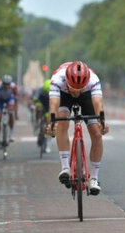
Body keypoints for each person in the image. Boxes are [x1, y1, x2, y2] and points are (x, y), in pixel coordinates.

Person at [47, 61, 109, 195]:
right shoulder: (58, 79)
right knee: (62, 123)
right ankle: (65, 168)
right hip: (64, 95)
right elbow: (53, 106)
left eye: (78, 89)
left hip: (86, 96)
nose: (75, 93)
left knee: (97, 134)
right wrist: (51, 124)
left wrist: (102, 123)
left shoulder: (93, 79)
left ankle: (94, 178)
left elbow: (98, 104)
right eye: (73, 89)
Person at [0, 75, 18, 147]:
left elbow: (16, 101)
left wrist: (16, 113)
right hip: (0, 101)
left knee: (11, 113)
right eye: (5, 84)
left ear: (10, 83)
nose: (6, 86)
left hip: (9, 99)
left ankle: (11, 133)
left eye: (8, 84)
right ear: (2, 83)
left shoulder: (13, 87)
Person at [34, 79, 52, 153]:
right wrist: (38, 105)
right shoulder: (40, 88)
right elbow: (35, 98)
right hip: (41, 101)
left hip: (49, 103)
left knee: (50, 123)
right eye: (46, 92)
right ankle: (37, 121)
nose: (47, 94)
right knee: (38, 109)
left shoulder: (54, 90)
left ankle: (47, 144)